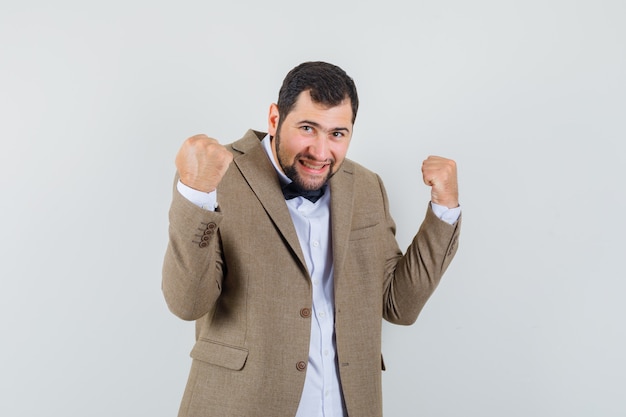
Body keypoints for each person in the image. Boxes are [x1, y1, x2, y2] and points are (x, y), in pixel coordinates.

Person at [162, 61, 461, 417]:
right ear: (274, 119)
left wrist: (444, 210)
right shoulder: (216, 173)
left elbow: (400, 305)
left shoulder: (366, 186)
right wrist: (196, 195)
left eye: (337, 134)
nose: (321, 152)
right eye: (307, 128)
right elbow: (187, 303)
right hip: (241, 404)